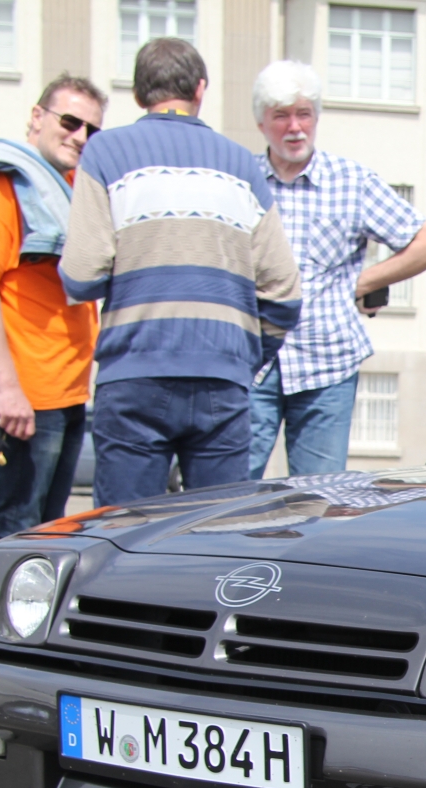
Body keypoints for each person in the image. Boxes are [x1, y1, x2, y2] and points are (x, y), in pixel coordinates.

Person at [58, 38, 301, 507]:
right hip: (222, 375)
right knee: (215, 535)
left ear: (138, 94)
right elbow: (284, 292)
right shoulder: (241, 165)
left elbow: (82, 274)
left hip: (135, 369)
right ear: (200, 89)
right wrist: (247, 355)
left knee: (123, 534)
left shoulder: (105, 153)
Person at [246, 61, 426, 479]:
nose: (295, 127)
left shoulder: (351, 181)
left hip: (327, 361)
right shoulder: (244, 181)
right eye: (281, 116)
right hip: (253, 361)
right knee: (228, 491)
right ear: (261, 123)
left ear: (317, 117)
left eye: (304, 114)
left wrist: (360, 283)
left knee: (319, 497)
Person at [0, 74, 106, 545]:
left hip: (66, 392)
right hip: (24, 398)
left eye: (93, 130)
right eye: (70, 122)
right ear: (37, 117)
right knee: (12, 528)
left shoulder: (67, 188)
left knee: (46, 531)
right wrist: (8, 389)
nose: (80, 136)